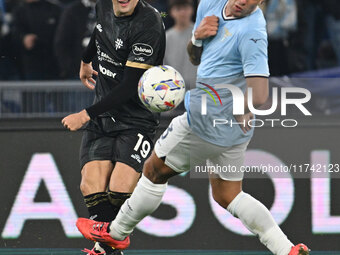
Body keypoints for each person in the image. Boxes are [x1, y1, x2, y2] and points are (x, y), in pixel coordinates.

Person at [75, 0, 310, 254]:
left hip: (208, 118)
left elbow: (261, 95)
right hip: (233, 129)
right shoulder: (210, 4)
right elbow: (195, 56)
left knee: (154, 171)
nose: (244, 0)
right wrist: (197, 38)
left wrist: (231, 107)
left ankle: (114, 234)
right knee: (228, 195)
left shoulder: (252, 33)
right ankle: (286, 249)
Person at [61, 0, 165, 254]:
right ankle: (110, 245)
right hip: (104, 112)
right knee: (90, 183)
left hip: (137, 117)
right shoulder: (103, 5)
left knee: (120, 186)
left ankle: (105, 247)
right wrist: (86, 60)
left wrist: (86, 114)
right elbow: (100, 31)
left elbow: (130, 86)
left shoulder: (148, 23)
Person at [12, 0, 61, 80]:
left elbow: (62, 36)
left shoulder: (55, 9)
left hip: (54, 65)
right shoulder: (19, 11)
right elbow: (14, 34)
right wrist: (23, 38)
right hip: (30, 66)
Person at [54, 0, 97, 79]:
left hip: (108, 75)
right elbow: (61, 43)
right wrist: (71, 69)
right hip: (79, 74)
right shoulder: (72, 11)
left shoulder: (112, 9)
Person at [164, 0, 197, 91]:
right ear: (171, 12)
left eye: (186, 8)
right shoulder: (166, 38)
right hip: (175, 91)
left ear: (192, 10)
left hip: (198, 90)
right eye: (178, 9)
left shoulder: (200, 34)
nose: (182, 12)